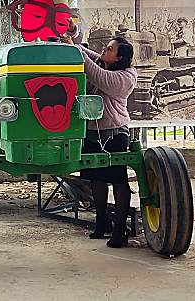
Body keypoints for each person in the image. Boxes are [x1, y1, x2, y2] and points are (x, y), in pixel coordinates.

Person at [62, 23, 137, 247]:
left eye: (110, 49)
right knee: (96, 179)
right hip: (93, 133)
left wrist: (74, 50)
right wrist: (73, 32)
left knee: (118, 181)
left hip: (115, 134)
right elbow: (82, 50)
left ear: (120, 57)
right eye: (105, 47)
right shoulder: (102, 62)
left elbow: (97, 75)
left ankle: (120, 229)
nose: (104, 50)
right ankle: (102, 221)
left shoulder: (126, 77)